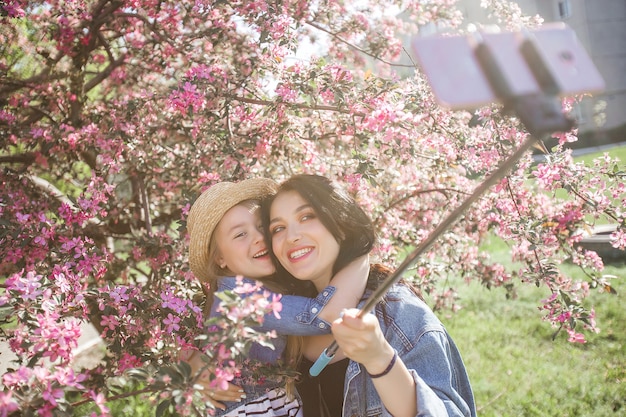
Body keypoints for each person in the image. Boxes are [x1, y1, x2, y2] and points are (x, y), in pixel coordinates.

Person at [261, 174, 477, 417]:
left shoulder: (400, 314)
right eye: (278, 228)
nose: (291, 237)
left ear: (341, 224)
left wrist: (380, 359)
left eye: (307, 216)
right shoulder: (283, 316)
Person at [185, 177, 368, 416]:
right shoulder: (241, 300)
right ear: (220, 258)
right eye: (240, 234)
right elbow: (329, 315)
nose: (259, 237)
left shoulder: (267, 286)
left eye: (263, 227)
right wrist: (362, 255)